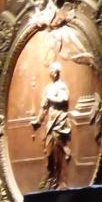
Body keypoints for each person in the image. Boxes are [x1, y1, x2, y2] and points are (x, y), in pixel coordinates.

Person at [31, 61, 72, 189]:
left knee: (58, 153)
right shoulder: (48, 88)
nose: (52, 73)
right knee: (49, 153)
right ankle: (51, 177)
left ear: (58, 72)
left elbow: (64, 99)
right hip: (51, 122)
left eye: (53, 71)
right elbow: (44, 107)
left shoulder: (62, 86)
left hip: (60, 122)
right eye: (50, 71)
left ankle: (59, 181)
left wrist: (51, 98)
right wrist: (38, 121)